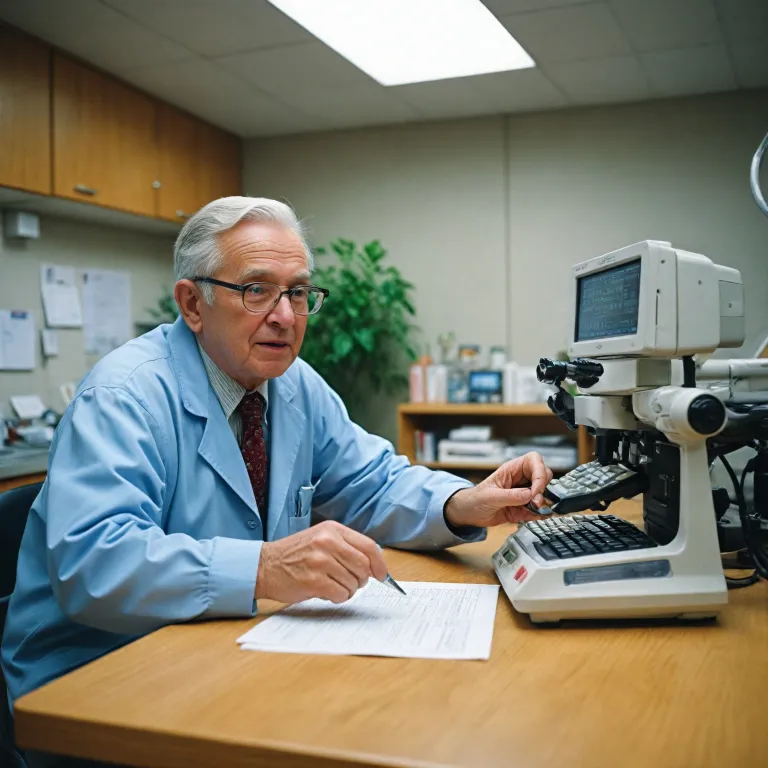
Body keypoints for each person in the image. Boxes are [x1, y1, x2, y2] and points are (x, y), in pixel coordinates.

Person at [1, 197, 552, 719]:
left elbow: (371, 482)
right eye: (257, 291)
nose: (286, 316)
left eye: (298, 293)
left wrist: (463, 502)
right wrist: (265, 567)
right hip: (96, 673)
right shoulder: (123, 396)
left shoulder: (294, 385)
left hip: (223, 650)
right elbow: (96, 564)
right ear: (193, 304)